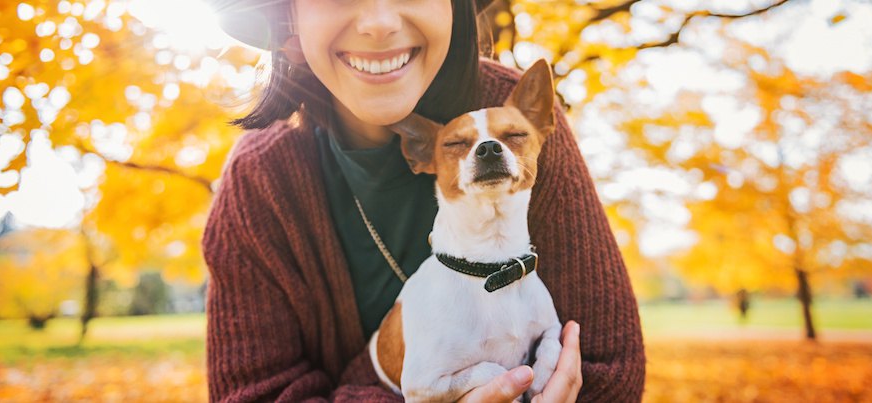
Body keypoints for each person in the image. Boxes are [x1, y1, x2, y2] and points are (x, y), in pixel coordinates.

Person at [201, 0, 645, 401]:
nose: (378, 23)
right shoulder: (258, 181)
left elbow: (609, 372)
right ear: (288, 24)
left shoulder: (517, 124)